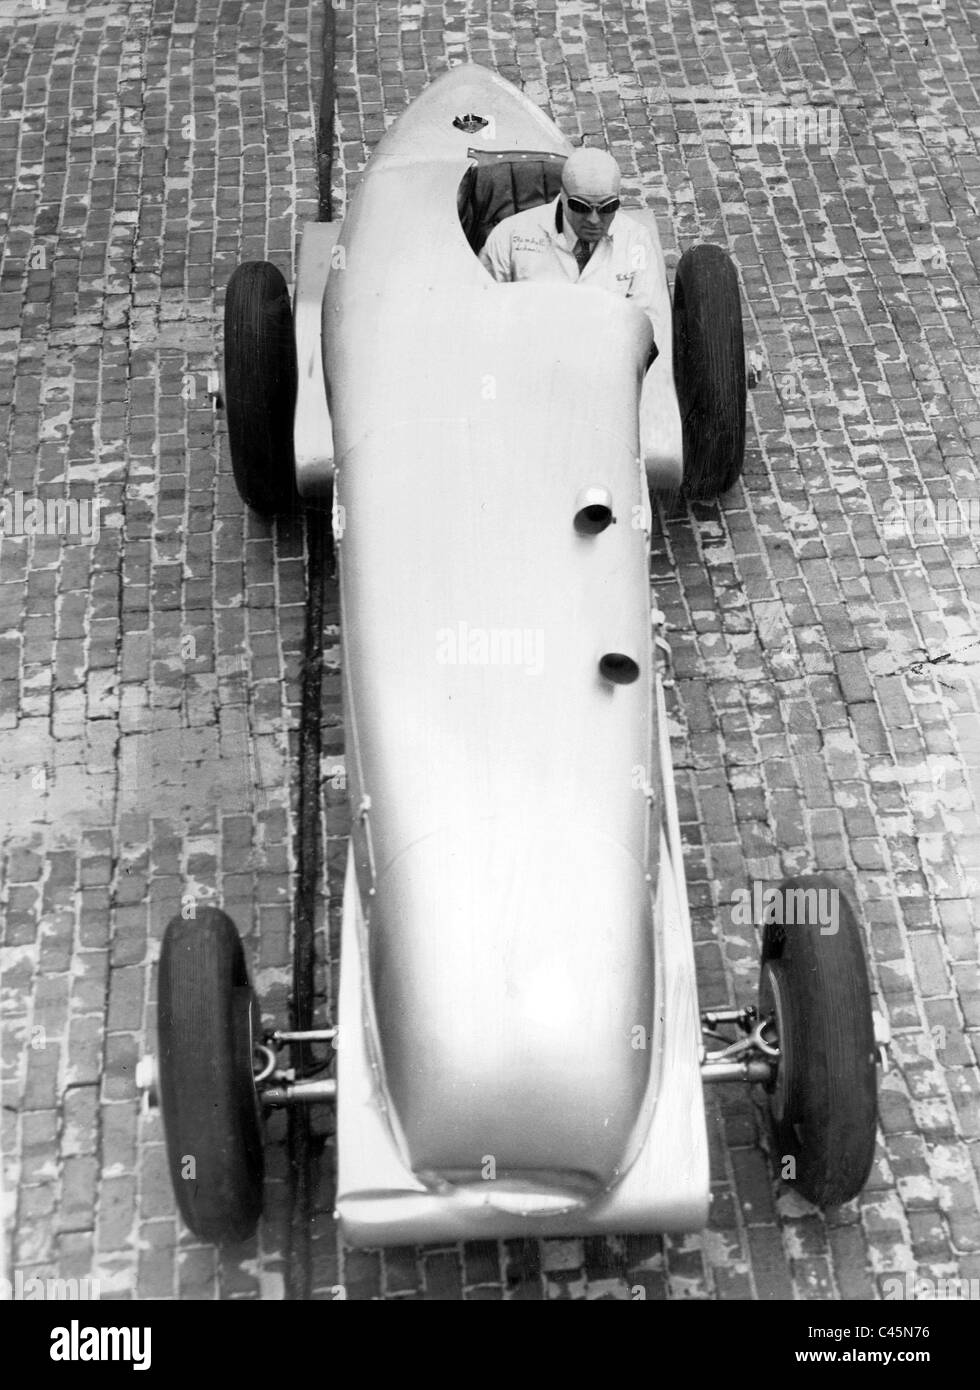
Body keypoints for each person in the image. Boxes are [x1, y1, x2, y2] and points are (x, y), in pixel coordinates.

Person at [478, 147, 660, 362]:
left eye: (607, 207)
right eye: (581, 207)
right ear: (563, 196)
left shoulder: (636, 241)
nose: (594, 220)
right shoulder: (510, 237)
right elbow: (484, 312)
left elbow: (646, 322)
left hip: (603, 366)